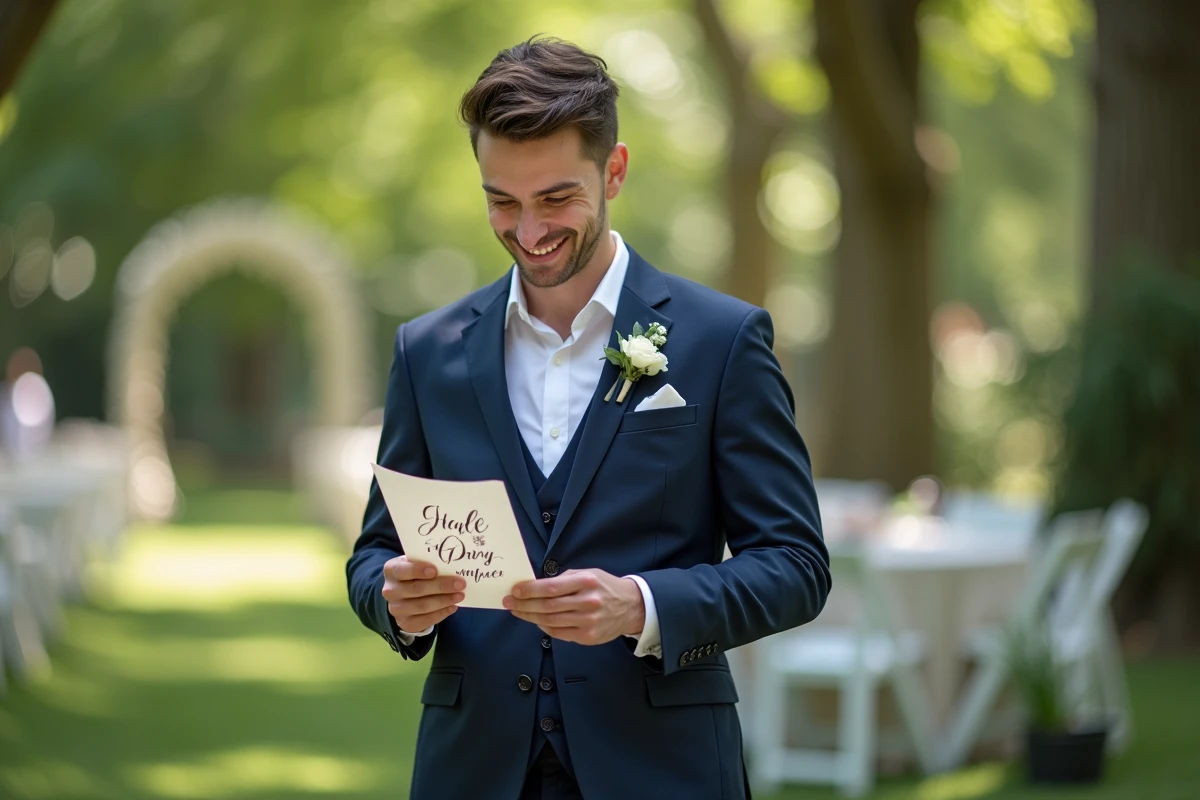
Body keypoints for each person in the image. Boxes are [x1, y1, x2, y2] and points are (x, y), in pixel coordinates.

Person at [347, 36, 830, 800]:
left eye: (555, 199)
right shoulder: (426, 351)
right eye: (501, 200)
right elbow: (375, 552)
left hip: (663, 768)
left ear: (614, 172)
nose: (529, 231)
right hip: (472, 769)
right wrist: (394, 599)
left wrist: (641, 605)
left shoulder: (721, 341)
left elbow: (796, 567)